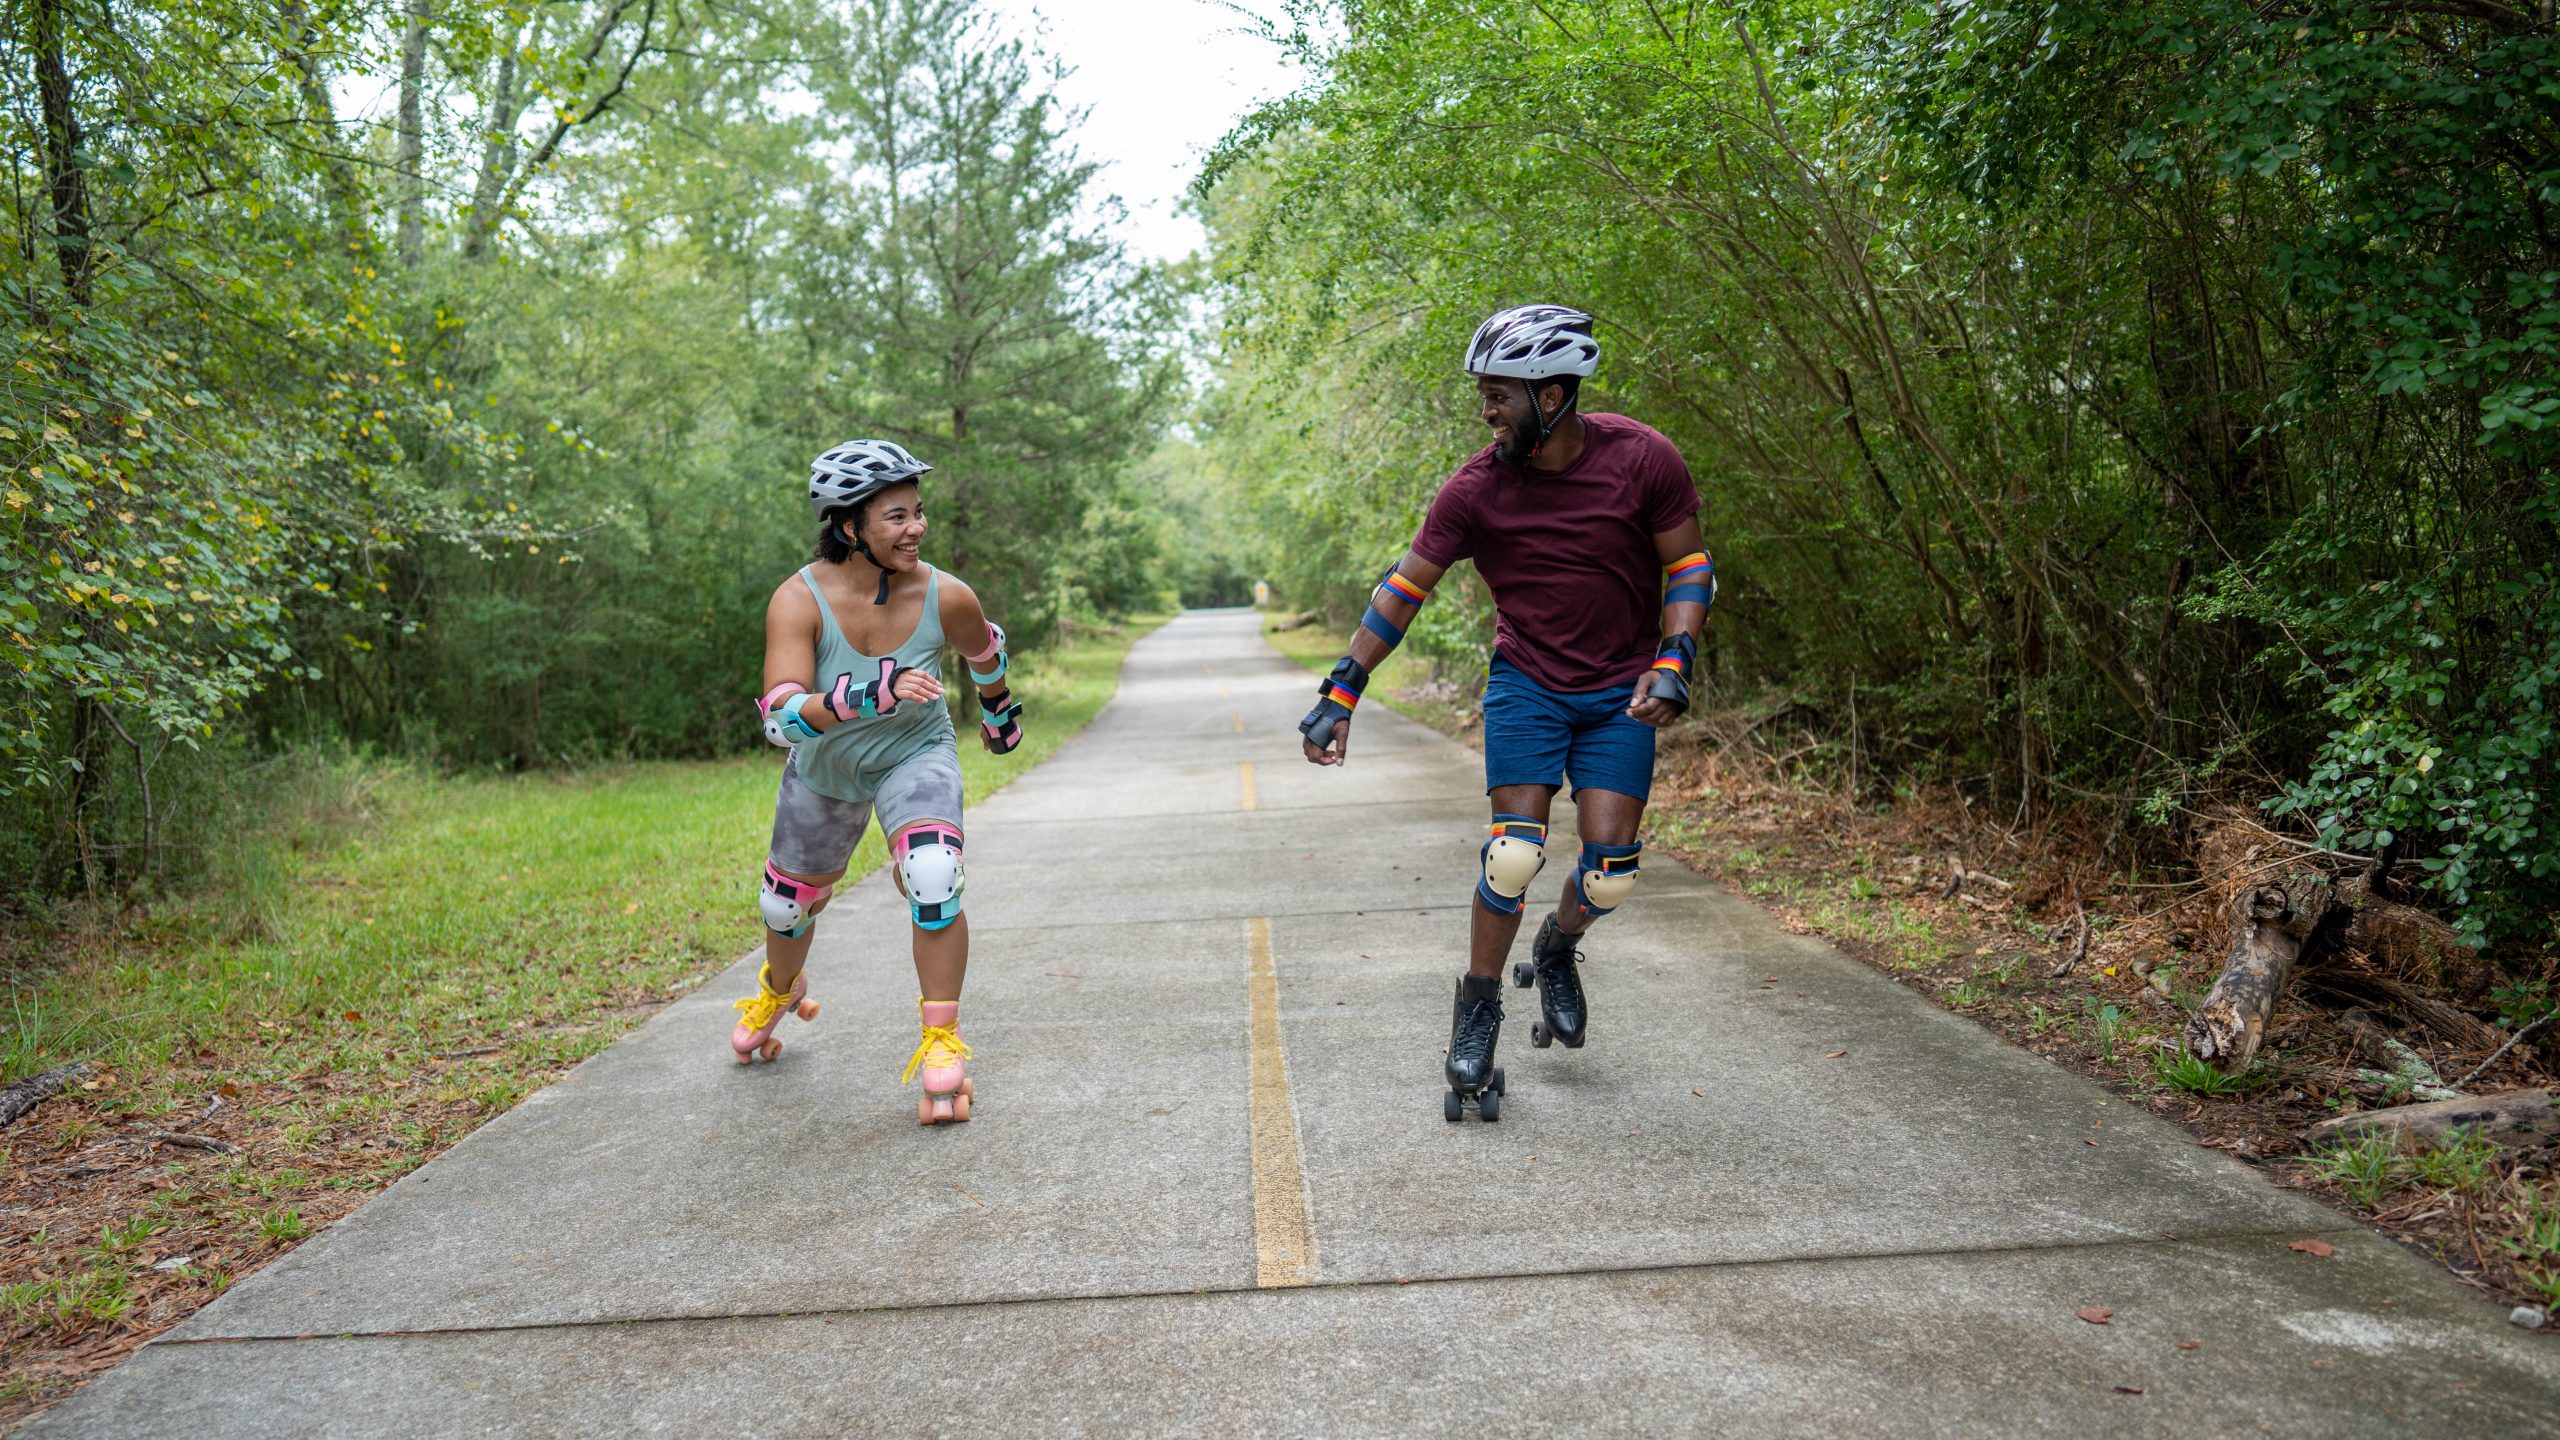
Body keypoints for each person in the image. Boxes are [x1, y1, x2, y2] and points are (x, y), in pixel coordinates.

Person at [1297, 306, 1716, 1121]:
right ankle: (1478, 1007)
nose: (1485, 411)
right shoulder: (1476, 489)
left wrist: (1674, 661)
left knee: (1611, 875)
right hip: (1527, 683)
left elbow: (1689, 564)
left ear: (1551, 395)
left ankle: (1557, 947)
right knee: (1513, 856)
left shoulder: (1643, 458)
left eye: (1498, 396)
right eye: (1484, 395)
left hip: (1620, 691)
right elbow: (1403, 590)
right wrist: (1341, 691)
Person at [737, 439, 1028, 1126]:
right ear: (849, 526)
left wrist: (998, 713)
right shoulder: (797, 599)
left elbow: (984, 650)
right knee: (785, 908)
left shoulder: (944, 593)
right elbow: (779, 718)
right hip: (827, 766)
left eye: (918, 512)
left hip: (914, 753)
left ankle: (941, 1039)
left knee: (933, 874)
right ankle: (780, 988)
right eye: (896, 517)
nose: (916, 528)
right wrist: (870, 695)